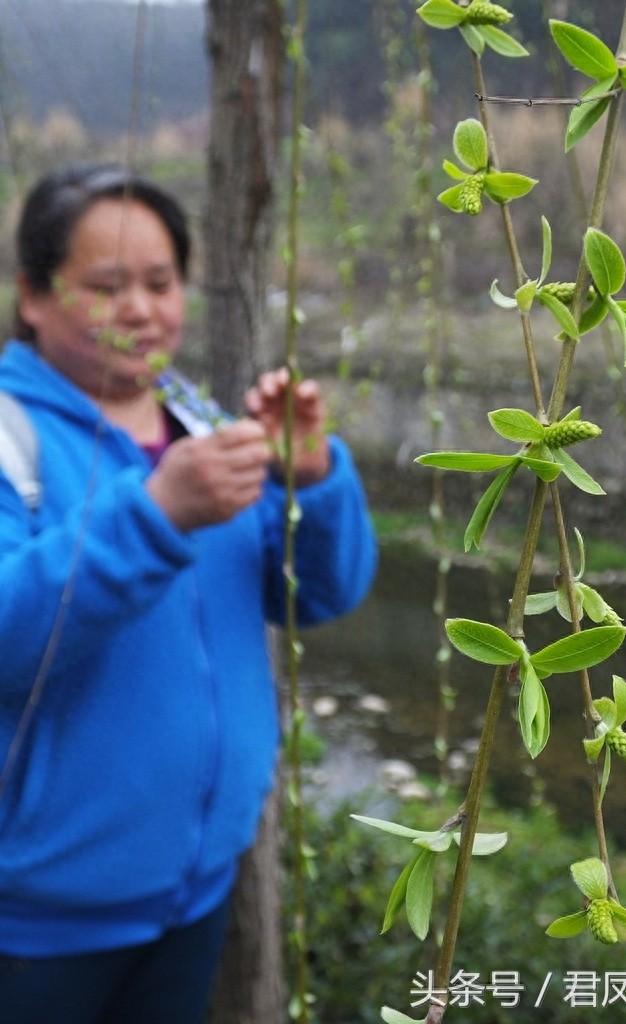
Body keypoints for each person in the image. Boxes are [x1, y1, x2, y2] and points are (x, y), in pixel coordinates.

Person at [0, 163, 377, 1023]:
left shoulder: (201, 426)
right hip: (34, 924)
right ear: (32, 294)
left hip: (196, 894)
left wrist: (310, 479)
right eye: (106, 285)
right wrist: (156, 516)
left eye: (161, 283)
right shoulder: (11, 438)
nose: (140, 309)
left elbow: (321, 595)